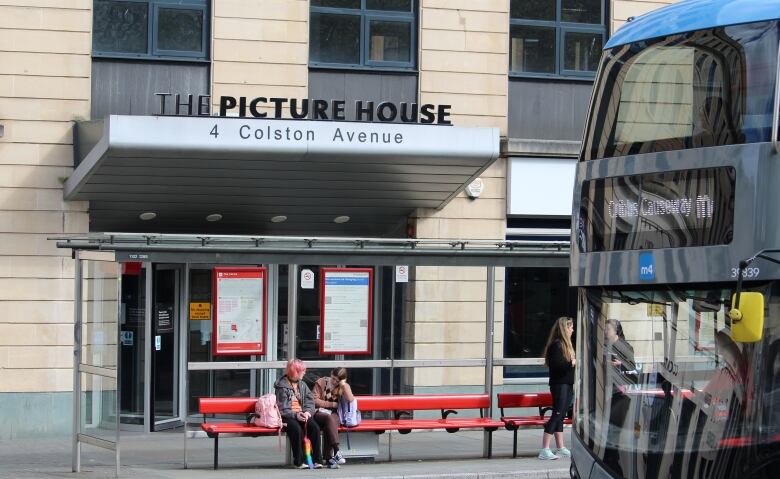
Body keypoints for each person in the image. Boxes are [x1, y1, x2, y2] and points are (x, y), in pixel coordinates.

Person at [274, 358, 323, 469]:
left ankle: (317, 460)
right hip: (288, 416)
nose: (305, 372)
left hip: (302, 414)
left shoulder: (302, 385)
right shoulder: (282, 386)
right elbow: (283, 408)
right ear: (295, 371)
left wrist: (307, 413)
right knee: (296, 429)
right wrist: (296, 415)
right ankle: (299, 461)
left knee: (314, 428)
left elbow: (310, 402)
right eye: (303, 370)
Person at [538, 317, 576, 460]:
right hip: (559, 385)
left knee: (561, 416)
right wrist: (571, 363)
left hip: (567, 384)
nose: (572, 329)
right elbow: (556, 366)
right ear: (564, 329)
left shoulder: (567, 345)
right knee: (557, 414)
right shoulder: (557, 345)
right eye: (570, 327)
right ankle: (544, 449)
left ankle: (560, 447)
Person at [603, 318, 636, 476]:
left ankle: (612, 453)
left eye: (608, 329)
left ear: (616, 330)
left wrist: (620, 365)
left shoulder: (625, 346)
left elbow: (633, 369)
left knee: (615, 423)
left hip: (621, 391)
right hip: (605, 387)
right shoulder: (603, 345)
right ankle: (609, 453)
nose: (605, 332)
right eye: (605, 329)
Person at [312, 367, 355, 469]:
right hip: (319, 412)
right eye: (333, 378)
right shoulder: (322, 382)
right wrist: (331, 404)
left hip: (335, 414)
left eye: (338, 380)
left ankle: (329, 458)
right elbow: (314, 400)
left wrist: (343, 385)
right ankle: (336, 451)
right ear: (331, 374)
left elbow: (350, 399)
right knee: (329, 419)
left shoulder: (343, 386)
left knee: (330, 421)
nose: (335, 381)